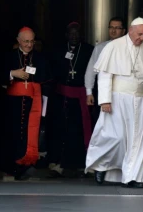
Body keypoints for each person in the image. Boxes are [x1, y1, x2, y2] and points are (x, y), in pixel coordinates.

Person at [85, 17, 143, 188]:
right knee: (116, 137)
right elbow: (105, 75)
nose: (141, 38)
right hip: (118, 99)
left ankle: (134, 176)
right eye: (139, 34)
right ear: (131, 30)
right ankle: (101, 165)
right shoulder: (114, 46)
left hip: (141, 101)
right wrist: (105, 100)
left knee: (138, 139)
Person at [0, 27, 51, 180]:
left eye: (31, 41)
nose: (29, 45)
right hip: (13, 104)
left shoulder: (40, 58)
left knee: (29, 133)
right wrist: (13, 73)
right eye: (26, 41)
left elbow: (47, 80)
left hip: (33, 103)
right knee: (12, 133)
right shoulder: (9, 56)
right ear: (19, 40)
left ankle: (26, 165)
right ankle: (11, 167)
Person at [46, 22, 94, 178]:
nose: (74, 37)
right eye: (71, 34)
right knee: (60, 129)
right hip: (62, 97)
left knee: (79, 130)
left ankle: (79, 164)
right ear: (67, 35)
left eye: (76, 34)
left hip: (80, 97)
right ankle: (58, 162)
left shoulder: (88, 50)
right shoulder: (59, 50)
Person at [85, 17, 126, 124]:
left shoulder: (128, 48)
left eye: (117, 28)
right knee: (102, 122)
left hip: (122, 92)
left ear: (123, 31)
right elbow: (91, 70)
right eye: (111, 27)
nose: (113, 30)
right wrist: (89, 92)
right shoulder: (100, 47)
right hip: (102, 92)